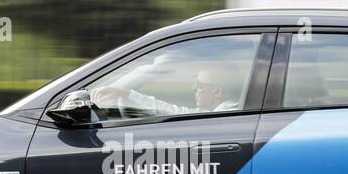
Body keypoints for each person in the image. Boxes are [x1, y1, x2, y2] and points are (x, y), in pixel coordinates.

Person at [91, 63, 240, 116]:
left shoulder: (225, 114)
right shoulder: (230, 111)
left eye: (199, 85)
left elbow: (172, 111)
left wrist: (126, 93)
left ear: (217, 92)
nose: (194, 88)